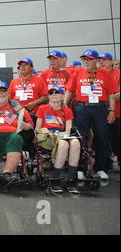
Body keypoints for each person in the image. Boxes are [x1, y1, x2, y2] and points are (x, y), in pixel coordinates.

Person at [65, 49, 118, 184]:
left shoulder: (105, 73)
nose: (86, 62)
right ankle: (80, 169)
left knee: (102, 137)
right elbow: (70, 91)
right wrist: (64, 107)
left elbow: (111, 93)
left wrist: (112, 110)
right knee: (80, 138)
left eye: (88, 59)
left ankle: (101, 168)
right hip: (82, 107)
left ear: (96, 61)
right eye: (84, 59)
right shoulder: (77, 72)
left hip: (100, 108)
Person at [35, 86, 80, 194]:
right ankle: (55, 179)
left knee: (75, 142)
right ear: (49, 96)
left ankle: (71, 179)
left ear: (63, 96)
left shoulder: (67, 111)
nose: (54, 94)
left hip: (61, 135)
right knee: (64, 144)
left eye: (57, 92)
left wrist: (62, 135)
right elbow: (37, 129)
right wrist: (44, 130)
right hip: (47, 137)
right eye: (51, 93)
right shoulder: (42, 109)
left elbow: (68, 130)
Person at [97, 52, 120, 169]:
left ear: (111, 62)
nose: (101, 62)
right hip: (100, 112)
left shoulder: (118, 73)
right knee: (103, 137)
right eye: (100, 60)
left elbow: (117, 93)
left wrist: (107, 97)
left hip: (117, 112)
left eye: (104, 60)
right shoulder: (98, 74)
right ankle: (107, 162)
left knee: (116, 138)